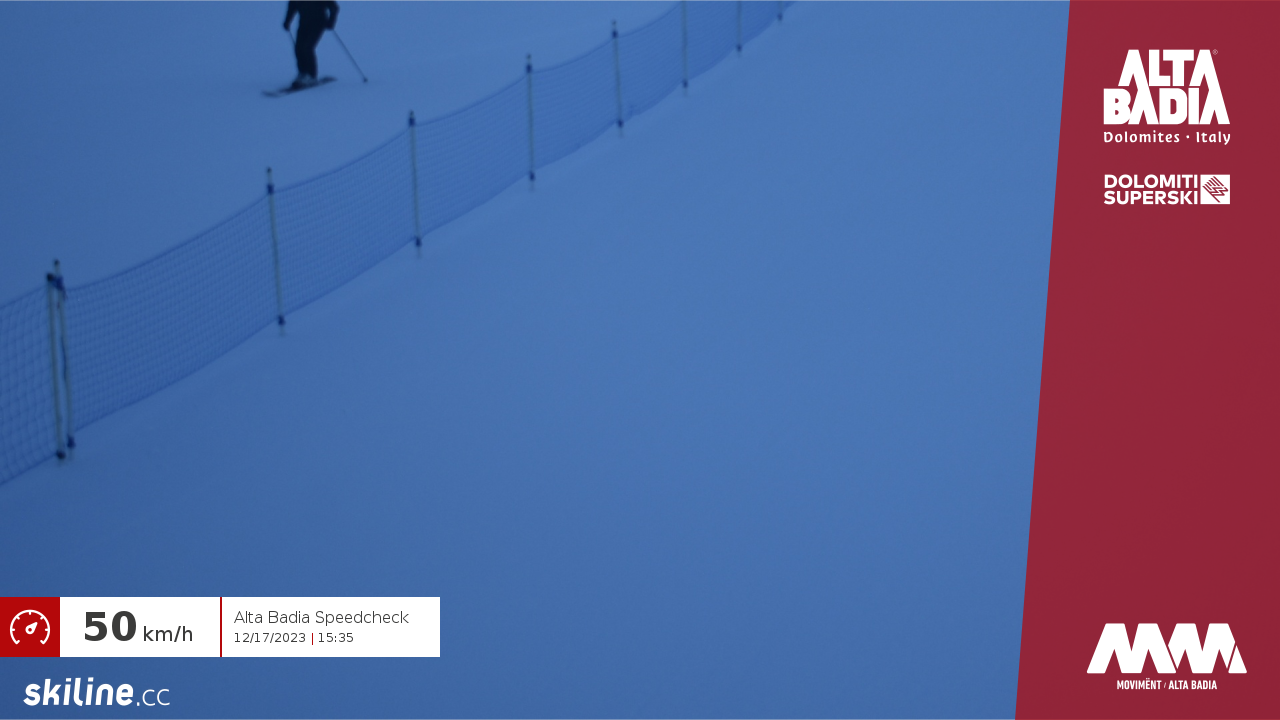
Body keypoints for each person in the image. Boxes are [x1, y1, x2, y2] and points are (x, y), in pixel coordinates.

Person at [283, 1, 339, 89]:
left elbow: (334, 8)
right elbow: (292, 8)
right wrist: (287, 21)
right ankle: (303, 73)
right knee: (298, 48)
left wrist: (331, 21)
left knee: (307, 48)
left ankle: (311, 76)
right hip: (303, 24)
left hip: (318, 23)